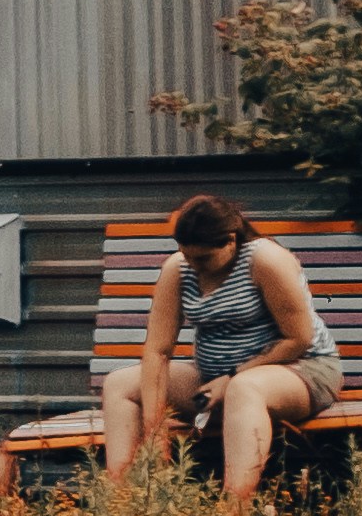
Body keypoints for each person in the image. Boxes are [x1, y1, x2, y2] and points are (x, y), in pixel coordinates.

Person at [100, 193, 342, 494]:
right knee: (119, 384)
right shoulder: (179, 268)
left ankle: (234, 514)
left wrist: (233, 377)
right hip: (213, 379)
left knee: (245, 388)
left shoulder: (265, 260)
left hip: (299, 369)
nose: (194, 266)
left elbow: (298, 339)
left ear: (230, 240)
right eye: (186, 255)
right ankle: (121, 502)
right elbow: (158, 351)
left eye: (202, 258)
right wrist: (155, 428)